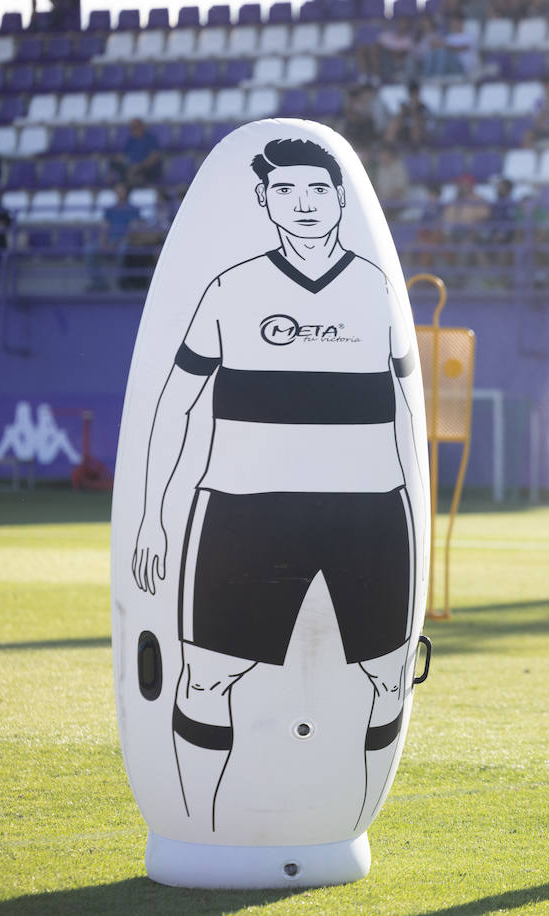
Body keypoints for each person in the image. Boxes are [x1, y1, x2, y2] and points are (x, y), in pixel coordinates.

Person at [130, 137, 425, 833]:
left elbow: (409, 407)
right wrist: (152, 517)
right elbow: (176, 401)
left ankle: (348, 821)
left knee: (387, 677)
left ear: (340, 198)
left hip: (370, 516)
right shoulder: (233, 289)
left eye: (317, 190)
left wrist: (416, 511)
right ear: (265, 201)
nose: (304, 203)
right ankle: (200, 831)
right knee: (207, 677)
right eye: (287, 190)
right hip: (244, 515)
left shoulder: (375, 288)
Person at [109, 119, 164, 188]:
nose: (133, 130)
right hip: (130, 167)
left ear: (142, 127)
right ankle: (131, 182)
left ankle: (134, 182)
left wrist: (139, 166)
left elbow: (154, 156)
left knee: (150, 167)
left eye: (135, 127)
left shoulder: (151, 139)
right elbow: (123, 155)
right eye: (131, 128)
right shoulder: (130, 140)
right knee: (113, 163)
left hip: (144, 168)